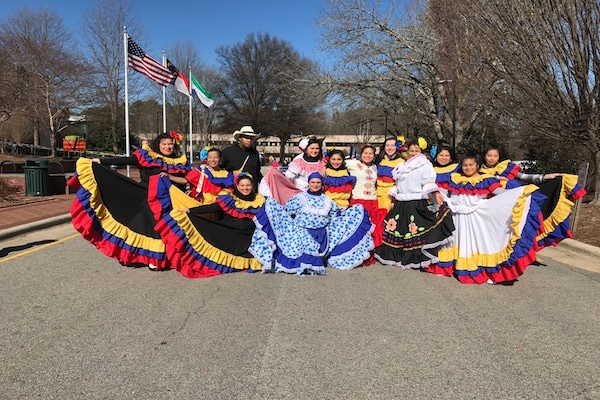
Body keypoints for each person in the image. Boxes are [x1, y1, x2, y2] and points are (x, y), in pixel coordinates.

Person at [69, 131, 192, 270]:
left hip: (169, 201)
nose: (167, 147)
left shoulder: (180, 162)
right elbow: (128, 160)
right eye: (164, 144)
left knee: (165, 230)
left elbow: (188, 179)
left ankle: (159, 258)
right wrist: (101, 161)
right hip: (146, 197)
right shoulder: (149, 156)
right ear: (158, 145)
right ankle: (145, 256)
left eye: (170, 144)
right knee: (144, 226)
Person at [427, 153, 546, 284]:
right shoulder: (454, 178)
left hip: (476, 218)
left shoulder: (486, 180)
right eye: (465, 165)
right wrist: (435, 191)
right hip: (457, 217)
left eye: (471, 165)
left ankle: (484, 271)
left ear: (477, 165)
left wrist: (521, 193)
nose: (468, 168)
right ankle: (449, 267)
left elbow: (500, 193)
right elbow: (440, 189)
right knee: (455, 243)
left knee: (479, 245)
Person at [250, 172, 374, 275]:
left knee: (357, 210)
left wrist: (347, 212)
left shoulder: (328, 201)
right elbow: (287, 211)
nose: (315, 185)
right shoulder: (299, 198)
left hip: (323, 233)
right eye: (313, 182)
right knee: (303, 250)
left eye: (318, 182)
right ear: (308, 183)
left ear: (321, 184)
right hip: (302, 232)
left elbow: (335, 216)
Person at [149, 172, 266, 278]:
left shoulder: (259, 200)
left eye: (248, 185)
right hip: (229, 233)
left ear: (252, 186)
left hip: (247, 237)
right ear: (237, 186)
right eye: (242, 185)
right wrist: (190, 210)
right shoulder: (230, 199)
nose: (245, 188)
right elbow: (212, 208)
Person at [480, 145, 586, 248]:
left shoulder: (505, 167)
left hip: (518, 201)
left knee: (523, 225)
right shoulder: (478, 171)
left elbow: (525, 177)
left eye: (495, 156)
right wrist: (497, 179)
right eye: (489, 155)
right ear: (484, 156)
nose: (492, 158)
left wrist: (545, 177)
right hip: (498, 205)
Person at [374, 141, 454, 269]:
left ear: (421, 152)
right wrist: (393, 200)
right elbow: (398, 185)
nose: (413, 153)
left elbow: (428, 181)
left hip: (415, 202)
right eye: (411, 151)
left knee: (413, 231)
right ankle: (399, 257)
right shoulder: (402, 165)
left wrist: (436, 193)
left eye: (416, 151)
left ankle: (413, 258)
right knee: (401, 231)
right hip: (401, 203)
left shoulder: (425, 165)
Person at [347, 144, 380, 264]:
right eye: (365, 153)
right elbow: (335, 162)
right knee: (357, 229)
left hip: (372, 200)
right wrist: (324, 168)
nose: (368, 155)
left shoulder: (375, 167)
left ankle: (368, 254)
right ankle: (356, 255)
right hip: (358, 200)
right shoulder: (352, 164)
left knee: (370, 229)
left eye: (371, 153)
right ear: (361, 154)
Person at [375, 137, 406, 247]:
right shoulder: (379, 160)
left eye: (392, 145)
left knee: (388, 221)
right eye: (387, 145)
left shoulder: (401, 162)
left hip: (390, 196)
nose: (390, 148)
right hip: (377, 195)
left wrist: (394, 198)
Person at [220, 126, 263, 191]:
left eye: (251, 138)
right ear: (240, 138)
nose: (249, 140)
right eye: (246, 137)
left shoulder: (255, 153)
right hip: (232, 191)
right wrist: (232, 173)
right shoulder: (227, 152)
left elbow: (257, 173)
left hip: (251, 192)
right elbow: (219, 171)